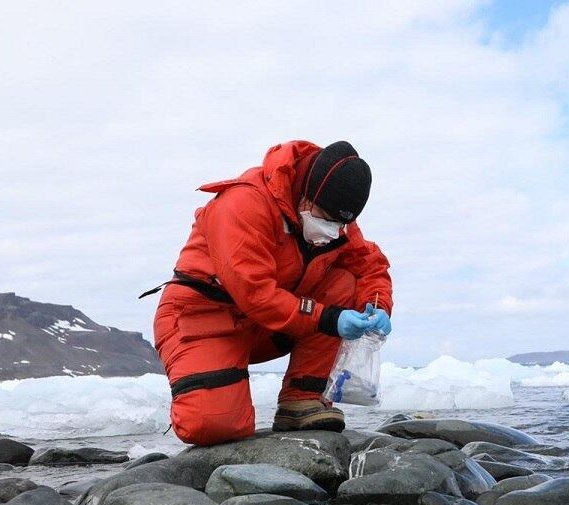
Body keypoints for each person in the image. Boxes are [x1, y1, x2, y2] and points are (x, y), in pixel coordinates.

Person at [143, 140, 393, 446]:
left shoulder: (335, 223)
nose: (333, 230)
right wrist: (327, 318)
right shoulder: (245, 203)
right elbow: (255, 292)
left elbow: (369, 265)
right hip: (204, 319)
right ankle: (201, 381)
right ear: (307, 195)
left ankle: (301, 400)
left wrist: (377, 306)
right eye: (327, 218)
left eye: (342, 223)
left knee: (344, 283)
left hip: (268, 325)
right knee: (213, 426)